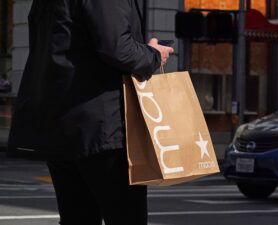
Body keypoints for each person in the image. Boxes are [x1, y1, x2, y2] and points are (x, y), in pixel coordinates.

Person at [7, 0, 174, 224]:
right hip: (102, 127)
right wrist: (153, 54)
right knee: (125, 217)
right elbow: (118, 49)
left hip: (61, 125)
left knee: (77, 217)